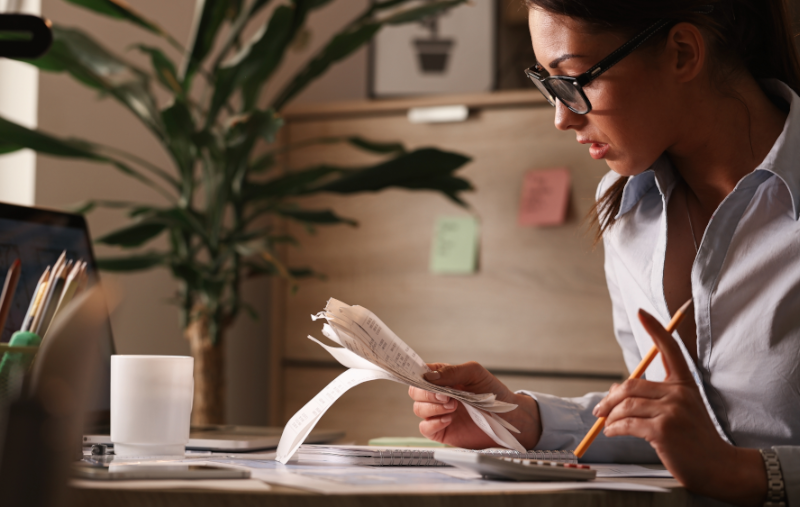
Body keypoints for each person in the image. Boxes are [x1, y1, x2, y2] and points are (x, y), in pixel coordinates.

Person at [408, 0, 800, 505]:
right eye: (546, 82)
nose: (560, 118)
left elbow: (718, 457)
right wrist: (523, 420)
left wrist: (744, 473)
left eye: (574, 79)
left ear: (682, 53)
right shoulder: (626, 208)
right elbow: (668, 428)